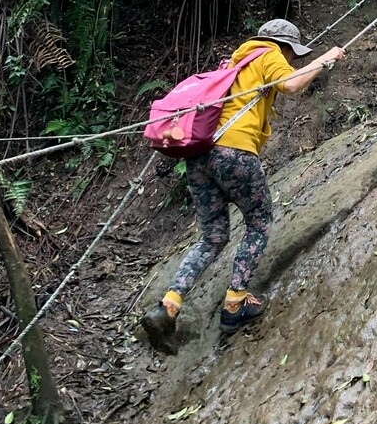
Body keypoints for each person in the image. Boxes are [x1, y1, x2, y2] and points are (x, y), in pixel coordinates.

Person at [141, 19, 346, 352]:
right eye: (292, 53)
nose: (292, 59)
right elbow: (292, 85)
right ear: (284, 46)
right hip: (234, 153)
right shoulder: (267, 54)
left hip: (199, 158)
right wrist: (326, 59)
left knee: (213, 236)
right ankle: (235, 303)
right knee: (259, 223)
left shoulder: (234, 64)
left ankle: (169, 305)